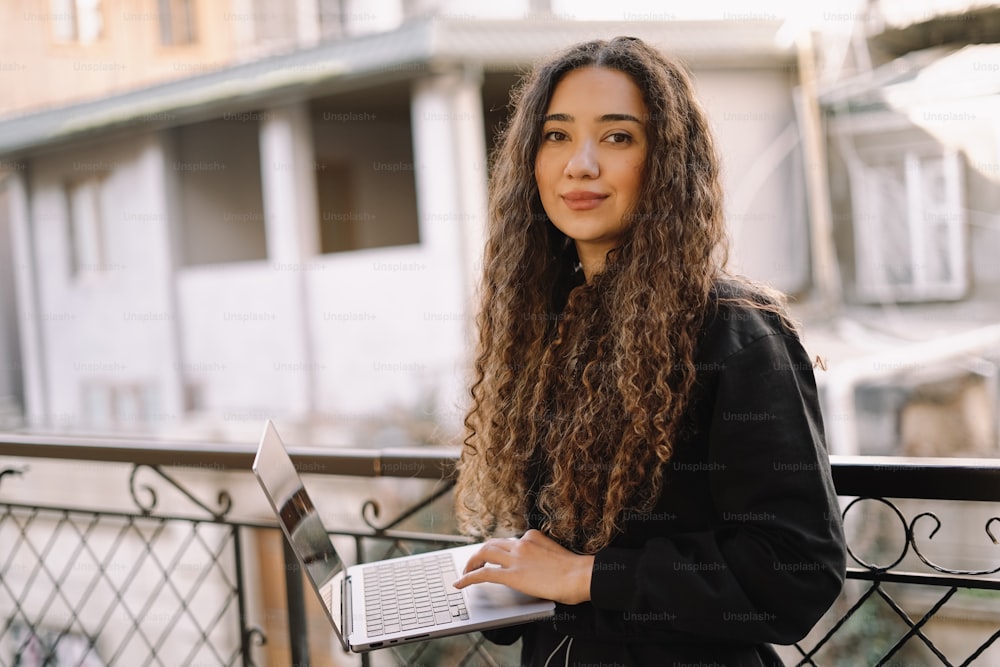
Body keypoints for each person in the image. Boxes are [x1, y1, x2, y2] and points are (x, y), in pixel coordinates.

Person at [450, 36, 847, 666]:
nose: (580, 165)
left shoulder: (735, 330)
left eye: (617, 137)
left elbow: (795, 571)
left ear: (665, 161)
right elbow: (567, 557)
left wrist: (585, 577)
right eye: (556, 135)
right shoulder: (548, 327)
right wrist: (512, 577)